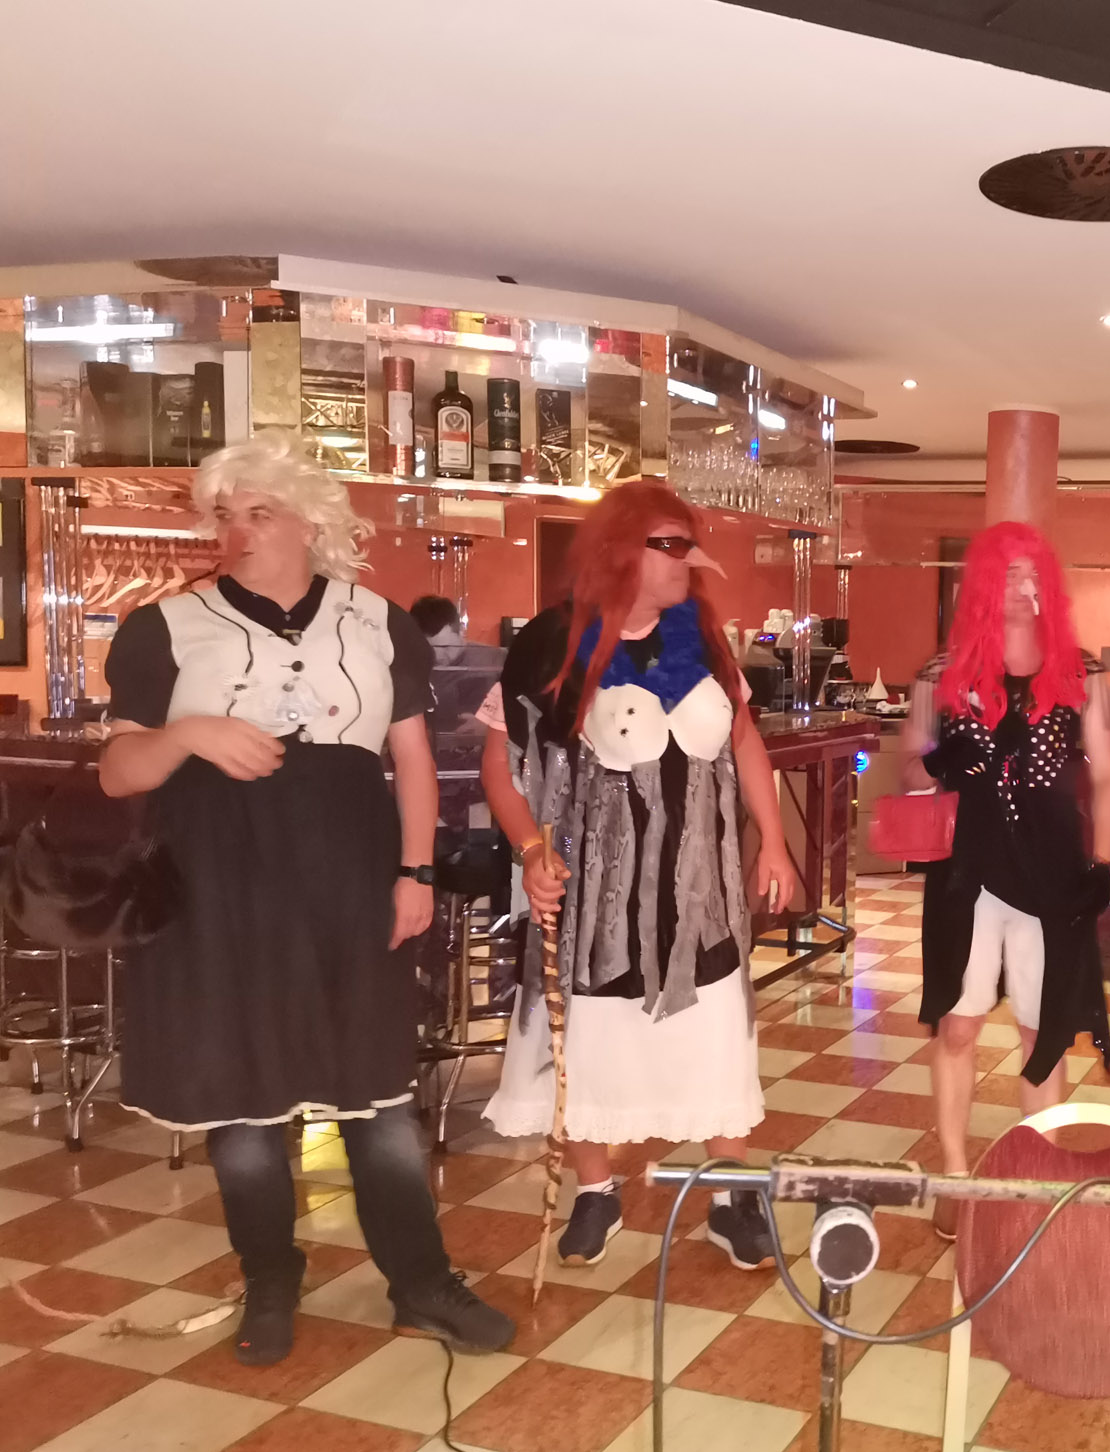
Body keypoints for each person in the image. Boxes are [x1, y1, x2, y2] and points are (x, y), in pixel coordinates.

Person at [100, 433, 514, 1364]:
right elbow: (119, 772)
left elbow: (411, 759)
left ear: (309, 522)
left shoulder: (378, 623)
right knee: (243, 1100)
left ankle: (421, 1282)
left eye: (260, 512)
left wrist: (415, 874)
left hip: (348, 877)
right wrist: (190, 734)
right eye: (224, 515)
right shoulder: (165, 627)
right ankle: (269, 1278)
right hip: (219, 887)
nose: (237, 531)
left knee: (377, 1093)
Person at [478, 483, 802, 1268]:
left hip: (701, 895)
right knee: (592, 1047)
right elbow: (500, 764)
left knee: (715, 1042)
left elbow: (745, 741)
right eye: (671, 544)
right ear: (621, 550)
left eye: (690, 543)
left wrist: (773, 843)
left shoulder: (708, 641)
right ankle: (597, 1191)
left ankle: (730, 1198)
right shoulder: (554, 644)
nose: (690, 559)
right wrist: (530, 850)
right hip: (596, 900)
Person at [904, 521, 1110, 1240]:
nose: (1024, 587)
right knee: (959, 1024)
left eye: (1034, 574)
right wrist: (936, 765)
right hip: (967, 874)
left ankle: (1039, 1176)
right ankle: (955, 1173)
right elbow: (911, 763)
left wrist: (1103, 865)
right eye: (1010, 572)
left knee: (1042, 1030)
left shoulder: (1079, 672)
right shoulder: (943, 673)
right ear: (983, 584)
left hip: (1052, 877)